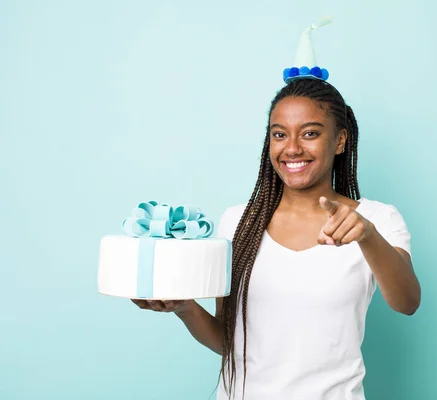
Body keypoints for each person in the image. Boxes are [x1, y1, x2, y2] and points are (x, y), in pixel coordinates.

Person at [132, 21, 421, 400]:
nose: (292, 147)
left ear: (340, 140)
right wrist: (185, 307)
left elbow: (407, 302)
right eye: (280, 133)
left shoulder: (377, 220)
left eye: (311, 133)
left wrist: (366, 235)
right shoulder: (239, 221)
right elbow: (228, 344)